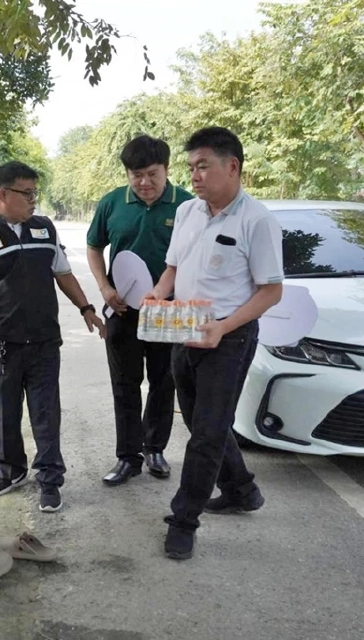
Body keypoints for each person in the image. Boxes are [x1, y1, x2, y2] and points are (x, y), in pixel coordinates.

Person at [145, 127, 283, 560]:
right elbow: (172, 267)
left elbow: (270, 291)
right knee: (202, 421)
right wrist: (158, 292)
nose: (196, 175)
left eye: (203, 166)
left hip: (229, 337)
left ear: (233, 166)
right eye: (192, 167)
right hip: (183, 329)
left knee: (206, 433)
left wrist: (224, 327)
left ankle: (183, 520)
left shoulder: (256, 220)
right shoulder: (188, 212)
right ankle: (242, 490)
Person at [0, 161, 105, 513]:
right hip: (1, 345)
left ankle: (49, 479)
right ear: (3, 194)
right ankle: (11, 471)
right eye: (28, 193)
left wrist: (86, 309)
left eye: (36, 193)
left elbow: (62, 273)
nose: (34, 200)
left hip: (44, 343)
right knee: (2, 414)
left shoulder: (44, 228)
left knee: (45, 414)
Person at [86, 135, 195, 486]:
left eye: (152, 174)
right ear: (127, 174)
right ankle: (127, 457)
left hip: (168, 310)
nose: (145, 183)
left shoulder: (188, 206)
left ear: (167, 170)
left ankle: (155, 449)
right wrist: (105, 288)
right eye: (137, 175)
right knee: (125, 384)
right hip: (121, 310)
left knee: (165, 382)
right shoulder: (112, 203)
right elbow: (93, 247)